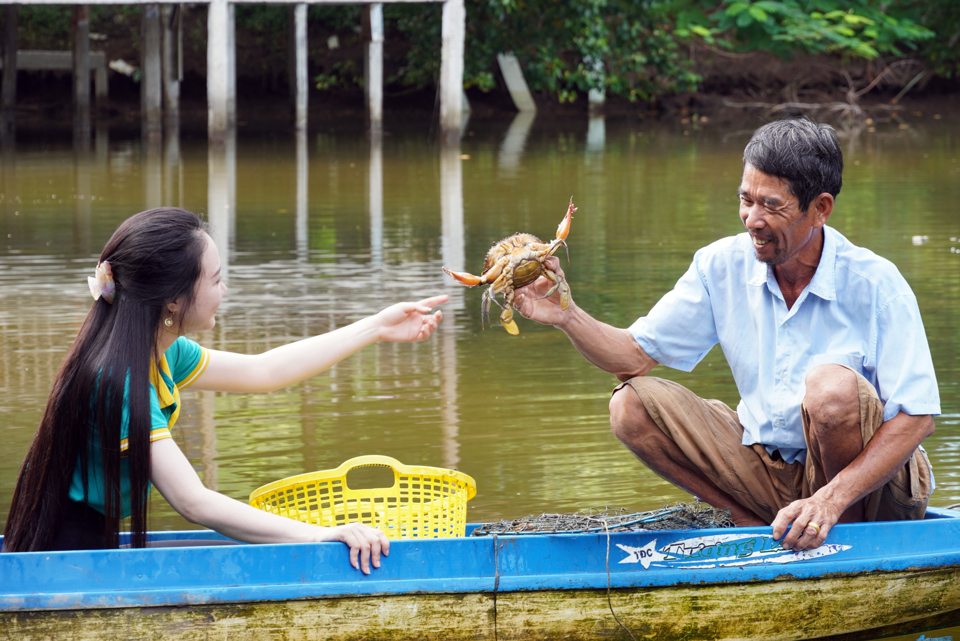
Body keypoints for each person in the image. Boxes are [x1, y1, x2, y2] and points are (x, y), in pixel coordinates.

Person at [513, 118, 939, 551]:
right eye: (746, 199)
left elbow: (917, 417)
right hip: (768, 470)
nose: (752, 220)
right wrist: (566, 313)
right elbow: (633, 357)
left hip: (872, 495)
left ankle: (841, 541)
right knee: (630, 405)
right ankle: (750, 525)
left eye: (771, 206)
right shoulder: (720, 265)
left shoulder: (875, 283)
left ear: (820, 209)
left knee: (831, 389)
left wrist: (830, 501)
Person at [2, 207, 447, 573]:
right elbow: (193, 501)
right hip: (64, 554)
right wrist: (321, 534)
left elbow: (264, 370)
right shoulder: (117, 382)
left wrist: (375, 326)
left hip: (89, 541)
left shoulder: (162, 352)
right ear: (173, 301)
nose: (224, 290)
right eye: (215, 280)